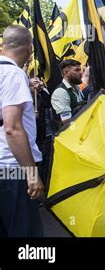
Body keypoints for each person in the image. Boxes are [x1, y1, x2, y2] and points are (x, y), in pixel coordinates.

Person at [0, 25, 44, 237]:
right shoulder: (13, 74)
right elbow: (12, 128)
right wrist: (32, 173)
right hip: (12, 169)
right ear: (29, 49)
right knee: (25, 236)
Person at [51, 59, 86, 128]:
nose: (81, 73)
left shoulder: (77, 88)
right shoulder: (60, 92)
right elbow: (66, 122)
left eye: (80, 70)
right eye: (77, 70)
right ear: (66, 73)